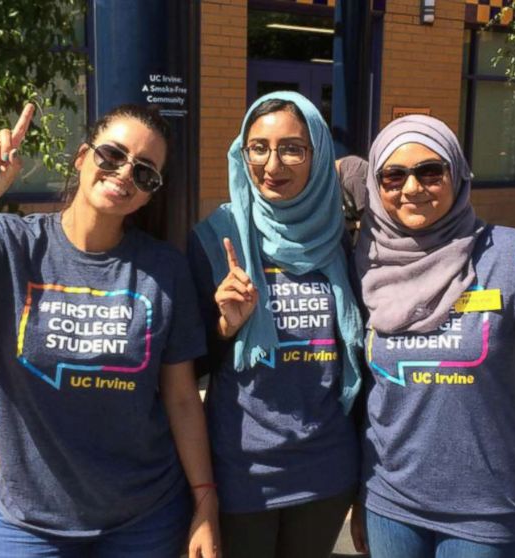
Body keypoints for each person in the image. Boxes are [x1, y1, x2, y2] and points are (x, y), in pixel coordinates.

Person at [0, 103, 219, 558]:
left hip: (144, 517)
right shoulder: (11, 244)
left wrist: (205, 501)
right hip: (33, 523)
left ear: (150, 194)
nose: (126, 173)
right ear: (82, 157)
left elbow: (182, 398)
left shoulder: (163, 268)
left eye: (146, 172)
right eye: (113, 155)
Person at [349, 115, 515, 558]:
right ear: (377, 186)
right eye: (394, 175)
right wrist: (358, 493)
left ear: (458, 174)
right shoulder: (365, 265)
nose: (412, 188)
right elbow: (361, 392)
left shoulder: (505, 254)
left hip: (484, 508)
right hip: (390, 500)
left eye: (430, 171)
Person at [186, 91, 365, 558]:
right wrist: (226, 327)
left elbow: (363, 365)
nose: (272, 164)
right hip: (243, 468)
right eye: (258, 148)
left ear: (318, 154)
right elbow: (187, 367)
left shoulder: (343, 243)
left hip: (326, 469)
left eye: (292, 148)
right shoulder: (214, 238)